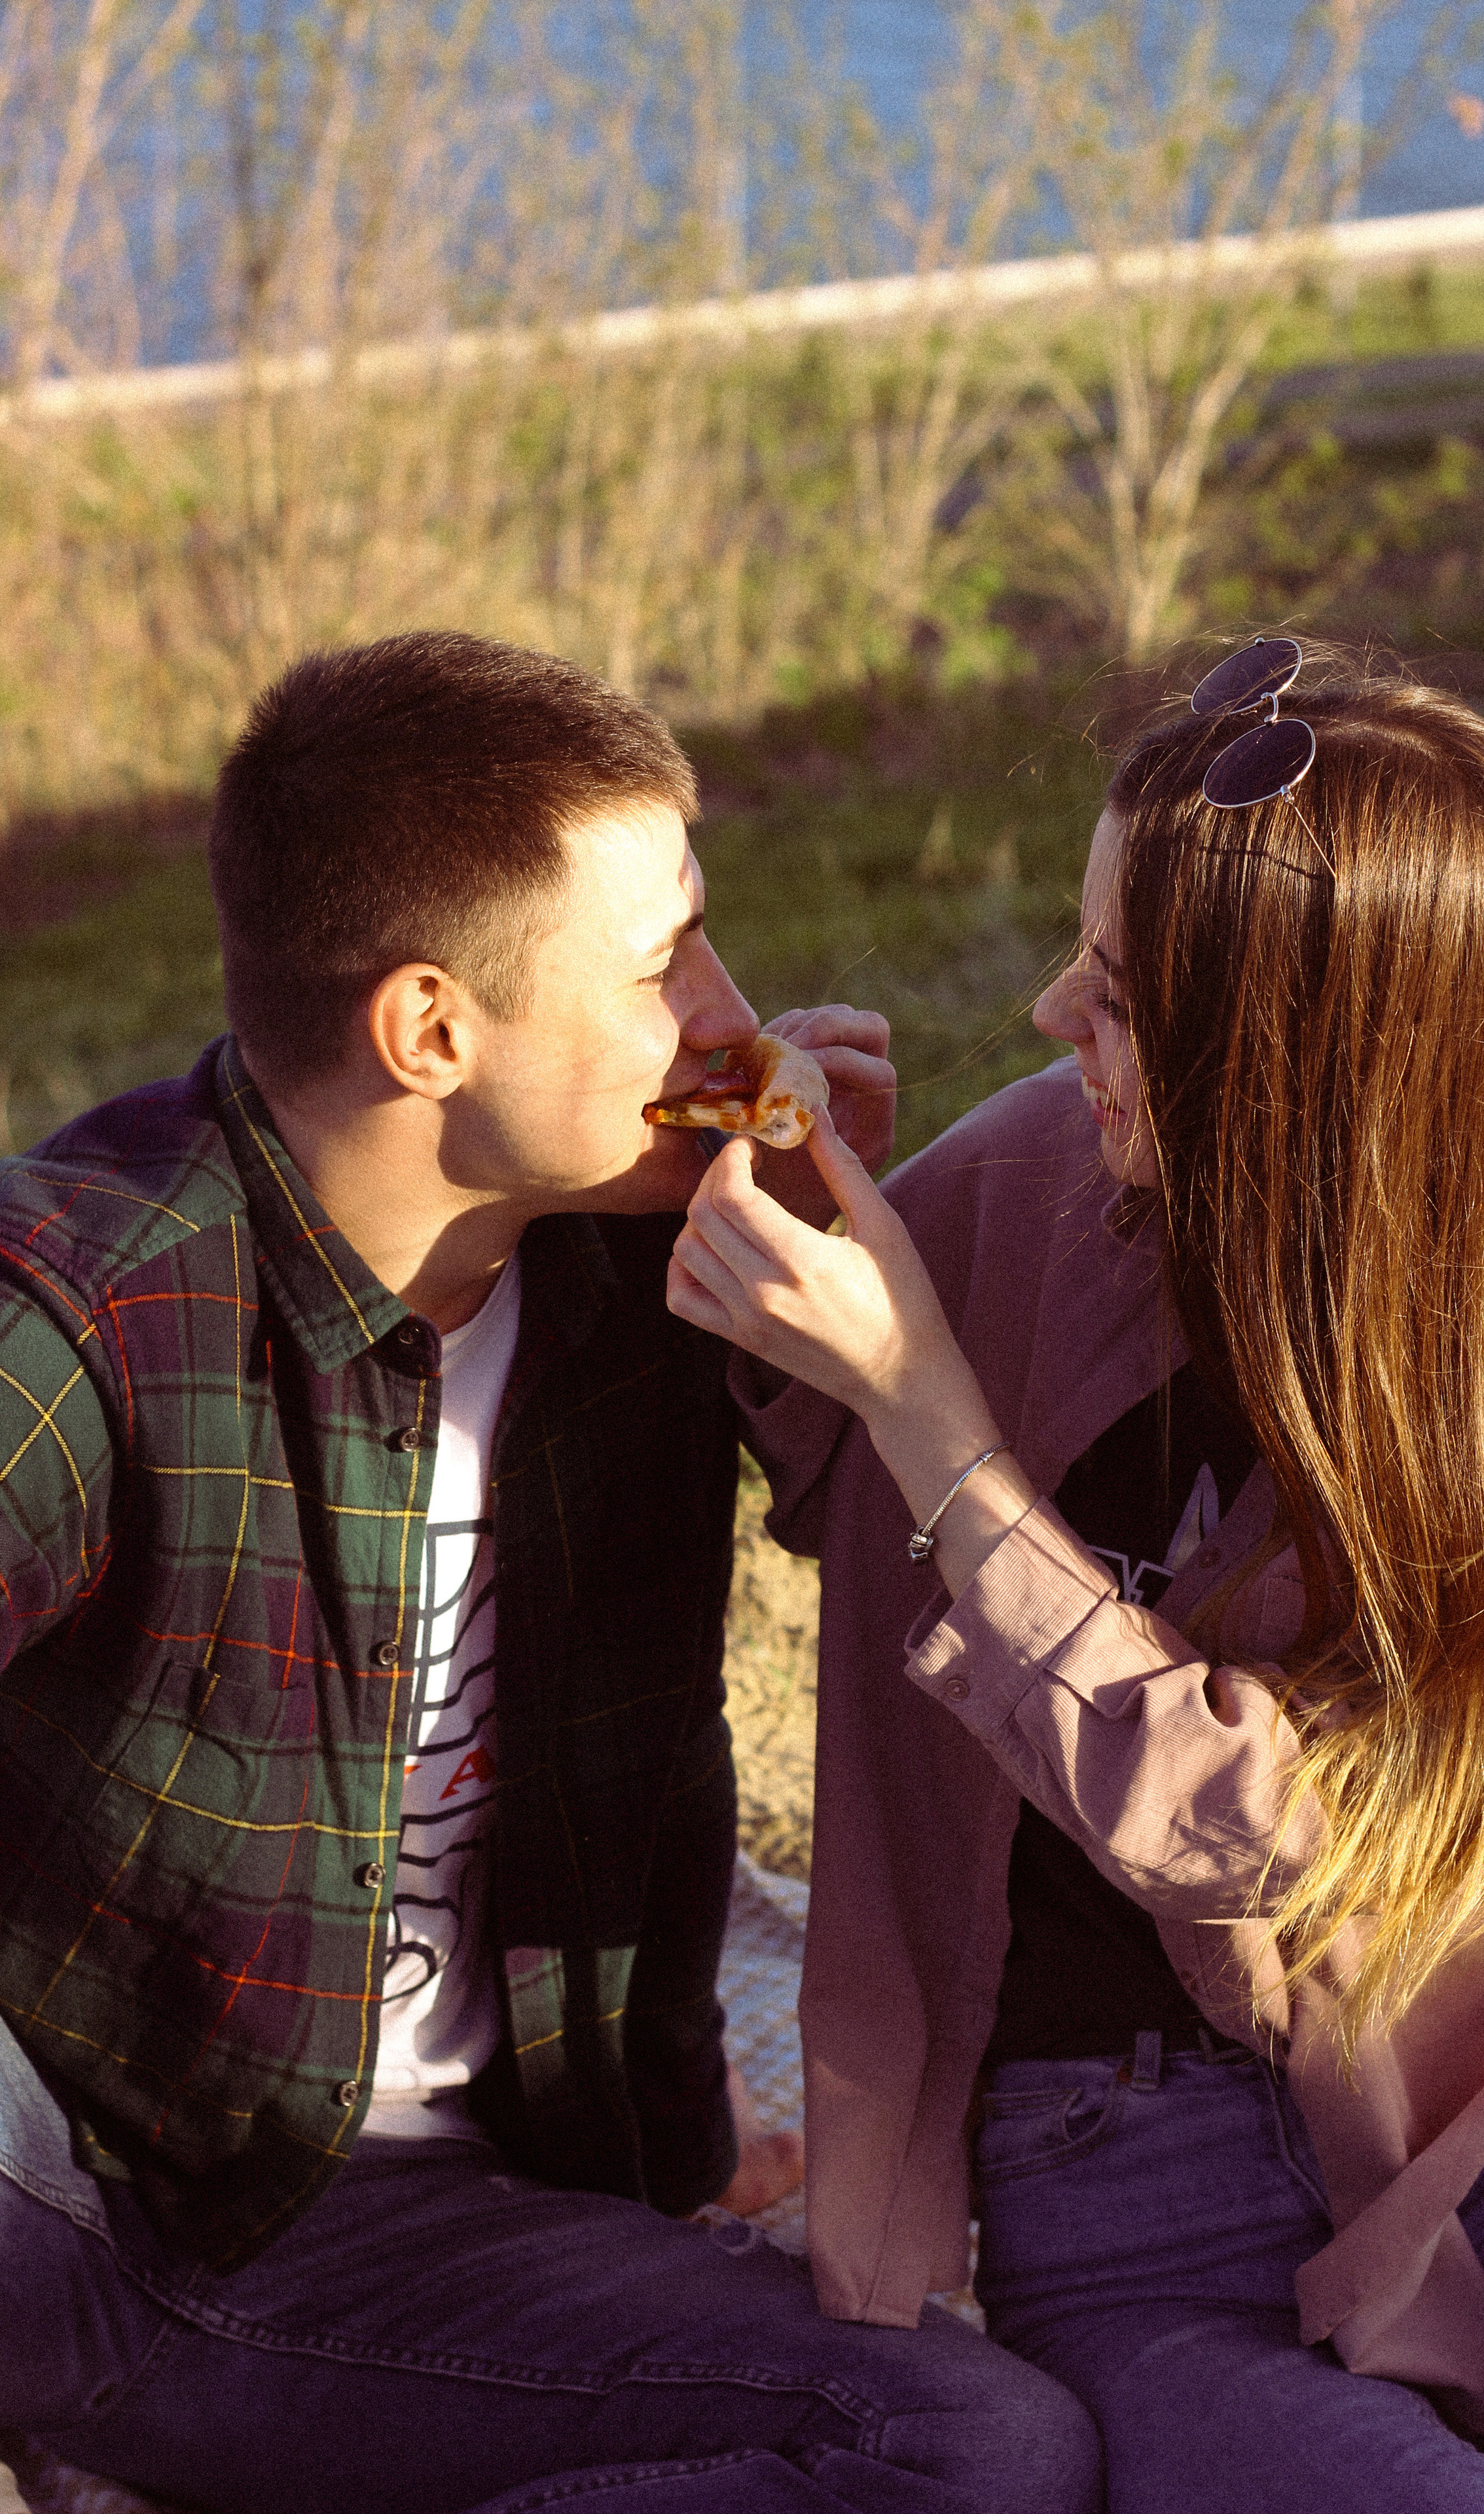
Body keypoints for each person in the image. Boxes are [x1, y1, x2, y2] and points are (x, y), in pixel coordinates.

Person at [0, 632, 1103, 2514]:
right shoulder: (86, 1308)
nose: (732, 1011)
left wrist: (854, 1295)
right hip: (134, 2225)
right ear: (433, 1032)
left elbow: (964, 1603)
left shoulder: (642, 1269)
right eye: (663, 964)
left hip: (490, 2214)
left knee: (984, 2444)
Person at [670, 645, 1484, 2514]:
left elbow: (1267, 1834)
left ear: (1308, 1079)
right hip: (1118, 2198)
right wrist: (809, 1225)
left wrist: (926, 1403)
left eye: (1124, 1002)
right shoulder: (1044, 1180)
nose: (1053, 1012)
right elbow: (821, 1481)